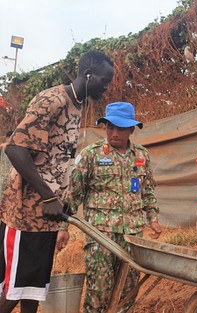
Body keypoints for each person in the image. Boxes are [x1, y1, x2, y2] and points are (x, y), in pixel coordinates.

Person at [0, 51, 114, 313]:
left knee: (33, 288)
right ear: (88, 75)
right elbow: (15, 149)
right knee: (14, 289)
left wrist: (61, 200)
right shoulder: (52, 100)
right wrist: (49, 197)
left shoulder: (78, 105)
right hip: (26, 213)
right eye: (104, 81)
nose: (106, 87)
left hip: (47, 217)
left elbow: (57, 160)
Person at [64, 102, 161, 313]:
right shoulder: (92, 154)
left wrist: (153, 218)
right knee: (98, 293)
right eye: (109, 127)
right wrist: (63, 228)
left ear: (131, 130)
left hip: (132, 235)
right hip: (101, 235)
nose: (114, 133)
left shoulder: (142, 156)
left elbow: (147, 191)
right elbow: (74, 193)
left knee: (127, 293)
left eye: (120, 128)